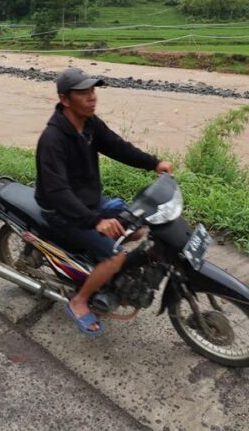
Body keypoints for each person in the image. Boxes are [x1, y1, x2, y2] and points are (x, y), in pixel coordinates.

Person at [35, 67, 173, 336]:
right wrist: (96, 221)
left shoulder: (89, 124)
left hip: (90, 203)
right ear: (65, 100)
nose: (92, 97)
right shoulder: (52, 140)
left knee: (140, 226)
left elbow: (117, 147)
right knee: (115, 255)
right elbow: (58, 192)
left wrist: (153, 163)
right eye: (83, 93)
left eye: (93, 91)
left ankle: (107, 274)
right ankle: (79, 301)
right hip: (62, 211)